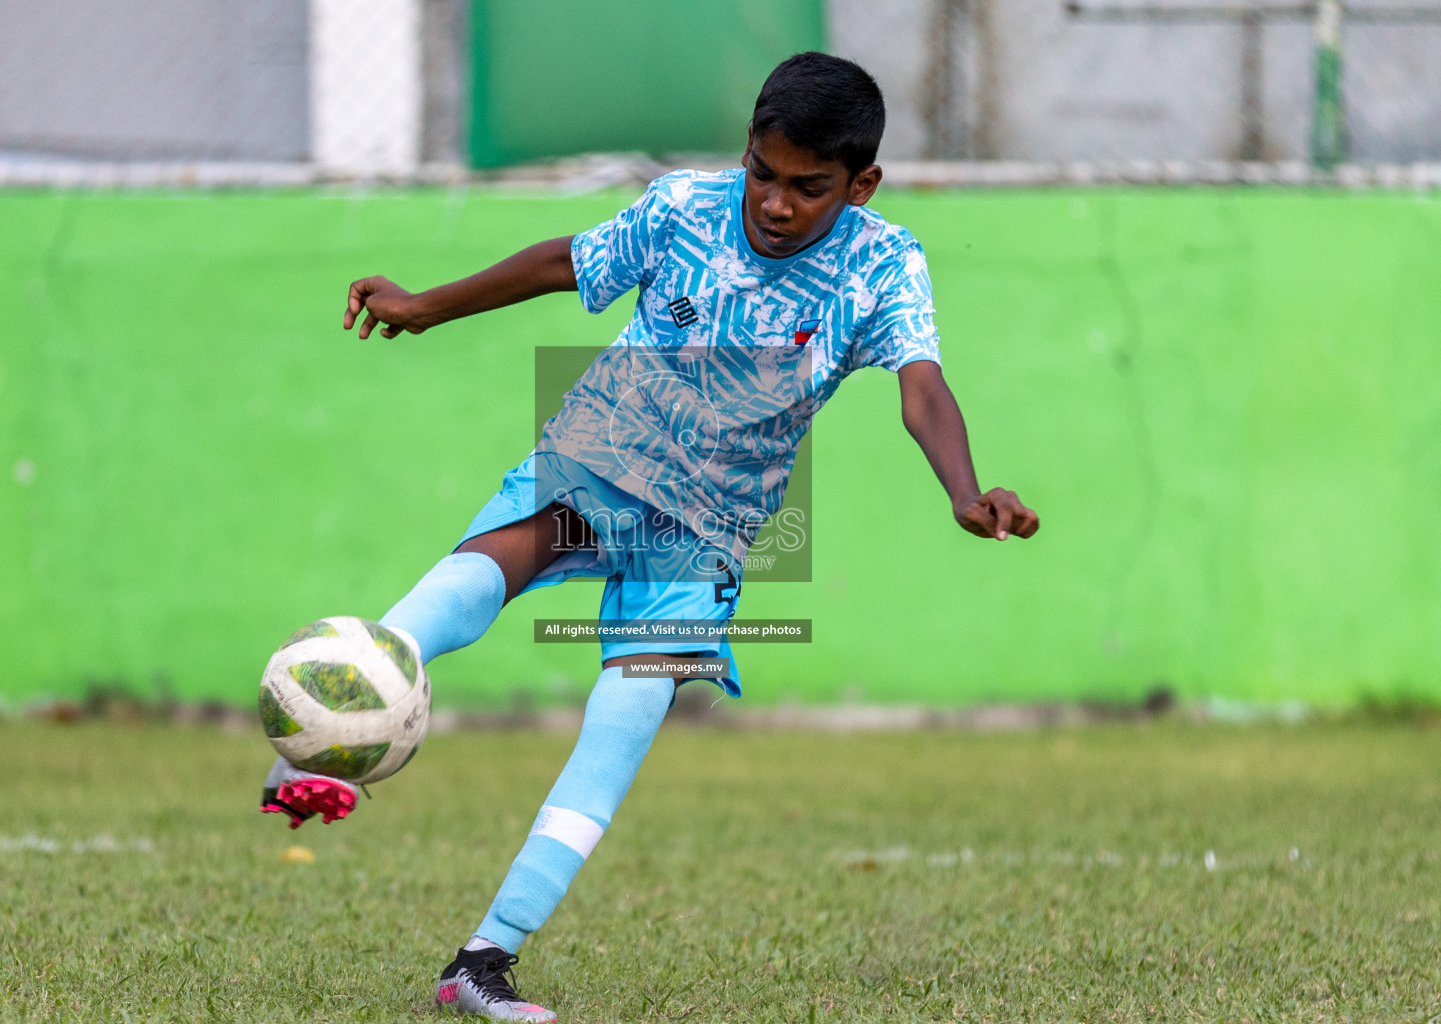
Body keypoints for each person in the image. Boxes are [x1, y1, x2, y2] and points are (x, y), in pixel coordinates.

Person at [260, 51, 1039, 1022]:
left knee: (624, 721)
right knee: (478, 580)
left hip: (708, 528)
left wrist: (964, 489)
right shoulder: (682, 209)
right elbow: (564, 262)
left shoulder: (886, 264)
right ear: (747, 152)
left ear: (861, 184)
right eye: (764, 172)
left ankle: (481, 962)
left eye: (810, 187)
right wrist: (425, 305)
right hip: (599, 456)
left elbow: (921, 386)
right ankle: (322, 732)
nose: (778, 203)